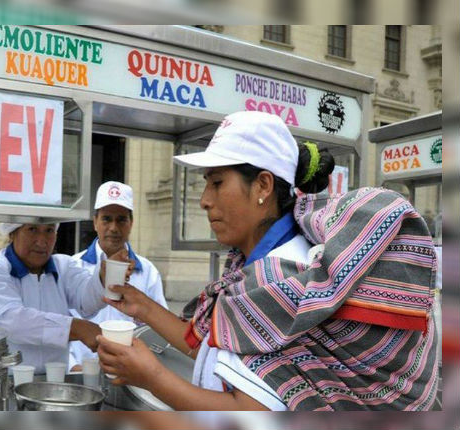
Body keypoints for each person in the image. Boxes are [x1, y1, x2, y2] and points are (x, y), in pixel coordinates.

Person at [96, 111, 439, 411]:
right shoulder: (252, 267)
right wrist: (142, 307)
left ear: (262, 185)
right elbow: (214, 341)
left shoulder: (282, 276)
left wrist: (150, 376)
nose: (204, 200)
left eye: (217, 183)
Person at [0, 222, 132, 373]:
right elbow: (10, 322)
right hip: (6, 381)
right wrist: (76, 328)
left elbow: (86, 301)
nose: (42, 241)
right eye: (32, 229)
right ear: (13, 233)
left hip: (54, 380)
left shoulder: (63, 267)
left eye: (49, 231)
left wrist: (103, 279)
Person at [68, 181, 168, 370]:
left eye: (121, 219)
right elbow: (61, 324)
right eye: (106, 219)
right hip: (81, 373)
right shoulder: (73, 266)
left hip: (130, 375)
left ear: (131, 223)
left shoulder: (147, 272)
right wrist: (72, 367)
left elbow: (158, 331)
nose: (114, 227)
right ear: (95, 221)